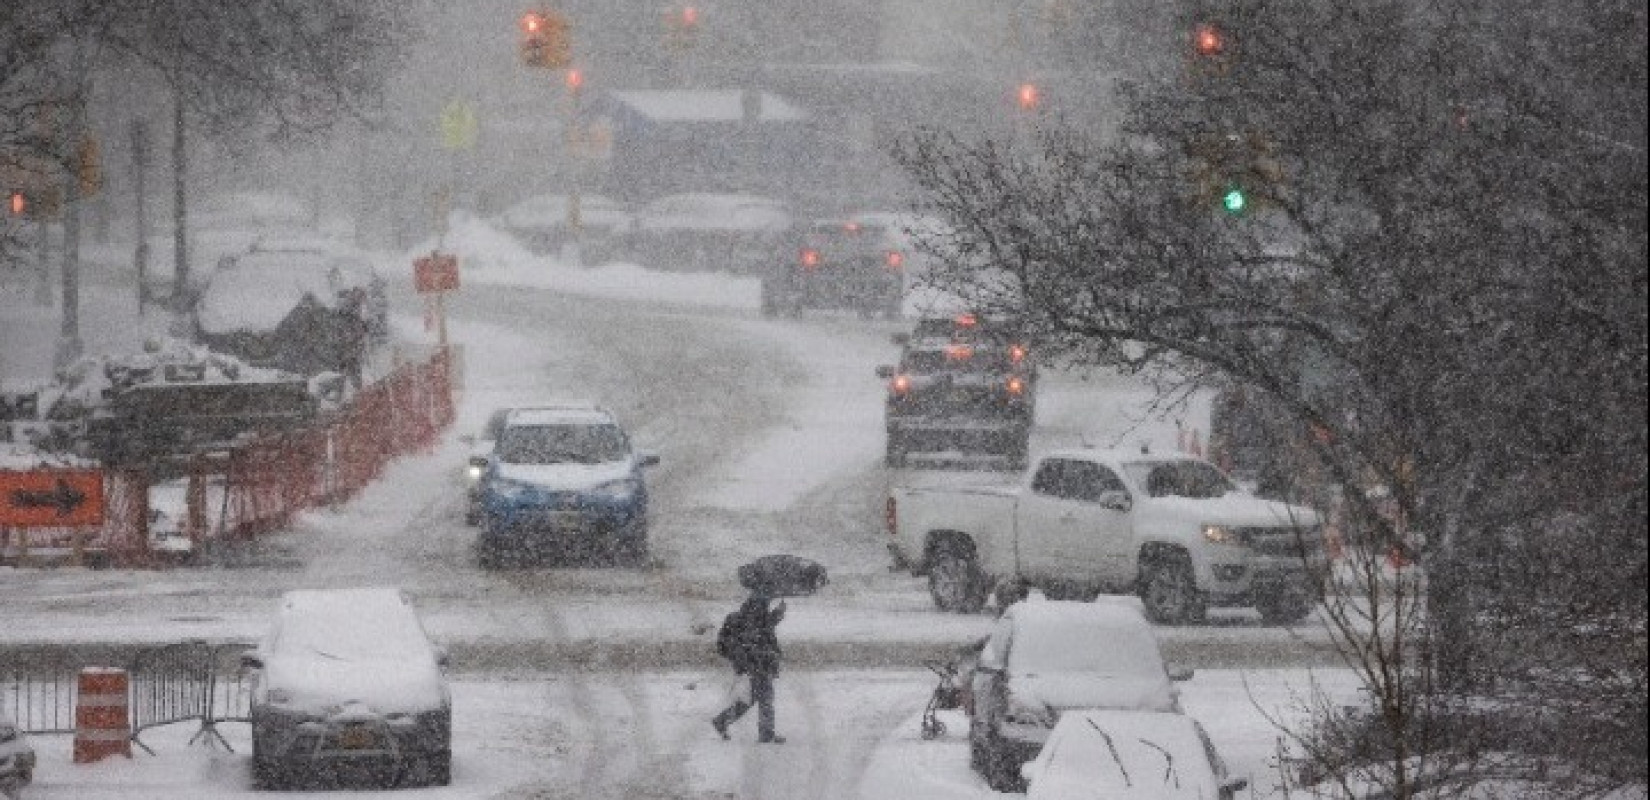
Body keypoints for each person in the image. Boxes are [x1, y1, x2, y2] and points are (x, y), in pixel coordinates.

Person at [712, 593, 787, 744]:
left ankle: (722, 720)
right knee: (765, 698)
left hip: (751, 665)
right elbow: (763, 629)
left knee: (751, 698)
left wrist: (778, 613)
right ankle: (766, 734)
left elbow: (767, 624)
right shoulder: (755, 619)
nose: (766, 609)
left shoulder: (741, 617)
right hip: (757, 665)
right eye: (765, 605)